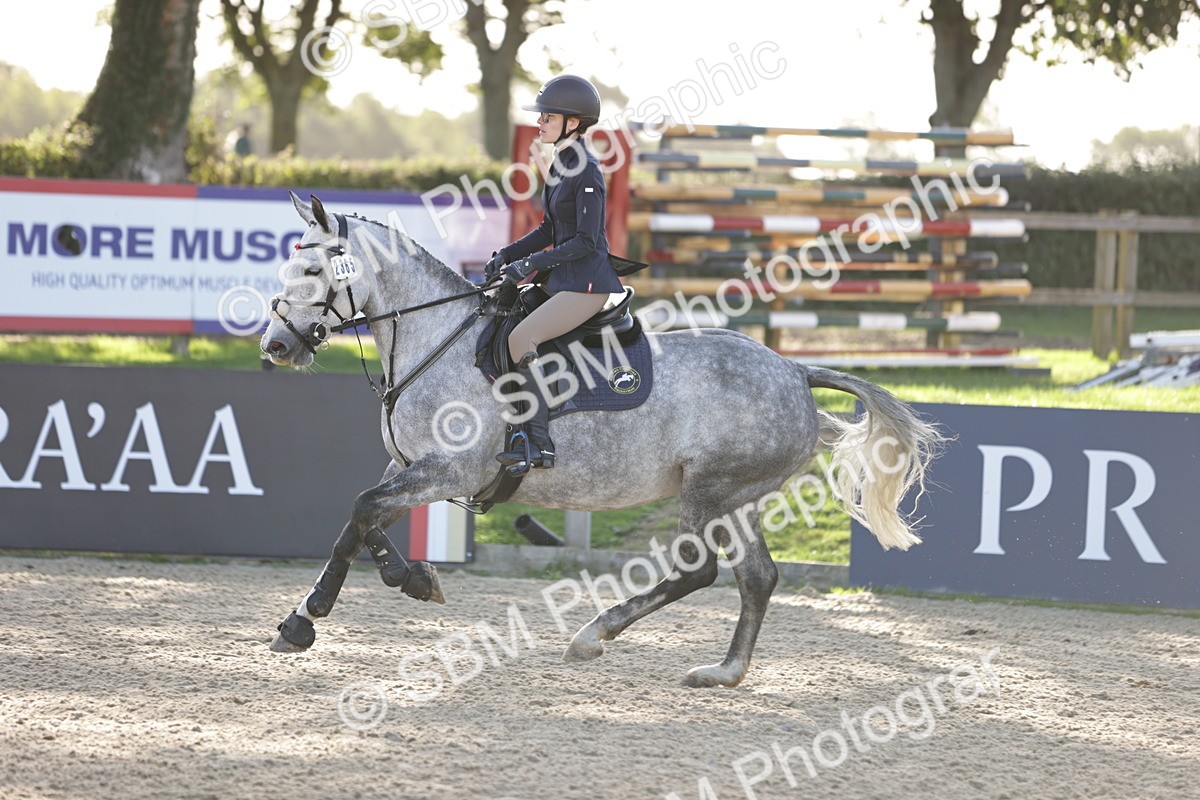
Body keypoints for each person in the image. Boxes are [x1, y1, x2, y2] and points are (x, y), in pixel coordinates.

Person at [485, 74, 622, 476]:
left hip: (588, 284)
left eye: (548, 116)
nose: (540, 122)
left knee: (521, 338)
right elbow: (549, 230)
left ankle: (538, 444)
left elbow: (585, 240)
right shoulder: (561, 163)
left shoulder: (588, 171)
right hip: (564, 280)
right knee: (501, 322)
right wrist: (508, 254)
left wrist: (529, 266)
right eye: (541, 116)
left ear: (573, 122)